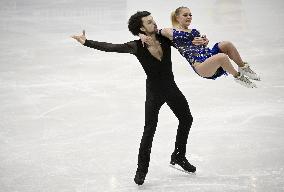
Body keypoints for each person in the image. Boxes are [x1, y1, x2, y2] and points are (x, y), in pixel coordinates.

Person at [71, 11, 196, 186]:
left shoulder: (165, 39)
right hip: (154, 92)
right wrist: (87, 42)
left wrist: (200, 41)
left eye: (153, 21)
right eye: (149, 22)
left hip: (171, 88)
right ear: (141, 28)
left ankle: (179, 155)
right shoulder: (136, 46)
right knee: (149, 129)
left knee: (186, 118)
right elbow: (111, 47)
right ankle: (141, 169)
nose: (154, 24)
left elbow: (185, 42)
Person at [139, 6, 260, 88]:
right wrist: (141, 35)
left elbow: (201, 45)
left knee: (226, 44)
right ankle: (238, 77)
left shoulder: (195, 31)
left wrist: (205, 41)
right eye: (185, 15)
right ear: (177, 17)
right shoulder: (169, 32)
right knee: (221, 57)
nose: (189, 17)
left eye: (190, 15)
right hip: (202, 67)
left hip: (209, 57)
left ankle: (243, 67)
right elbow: (151, 31)